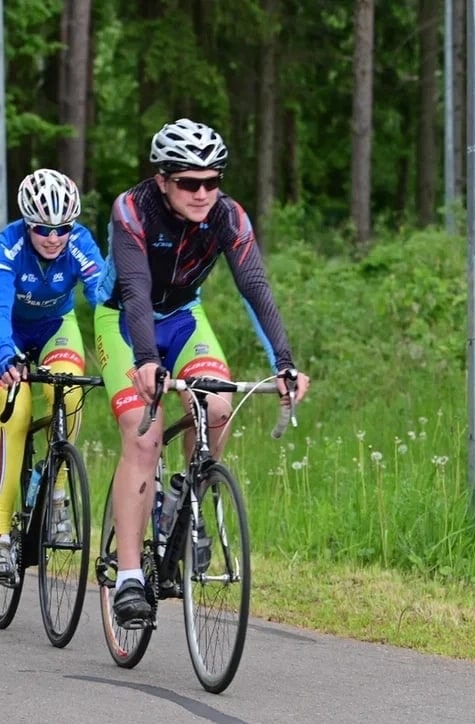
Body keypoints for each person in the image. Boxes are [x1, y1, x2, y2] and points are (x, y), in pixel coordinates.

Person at [97, 118, 311, 623]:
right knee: (143, 438)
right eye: (190, 183)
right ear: (163, 180)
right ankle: (129, 577)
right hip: (126, 324)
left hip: (185, 319)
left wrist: (284, 362)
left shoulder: (228, 217)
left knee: (217, 405)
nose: (202, 193)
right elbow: (133, 293)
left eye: (212, 181)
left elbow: (254, 287)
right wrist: (147, 362)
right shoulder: (132, 211)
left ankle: (181, 502)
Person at [0, 168, 106, 579]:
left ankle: (58, 495)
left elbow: (102, 293)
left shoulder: (80, 243)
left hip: (55, 326)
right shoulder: (8, 244)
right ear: (26, 224)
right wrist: (4, 355)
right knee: (15, 413)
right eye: (42, 229)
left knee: (68, 394)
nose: (53, 238)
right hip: (4, 331)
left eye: (62, 228)